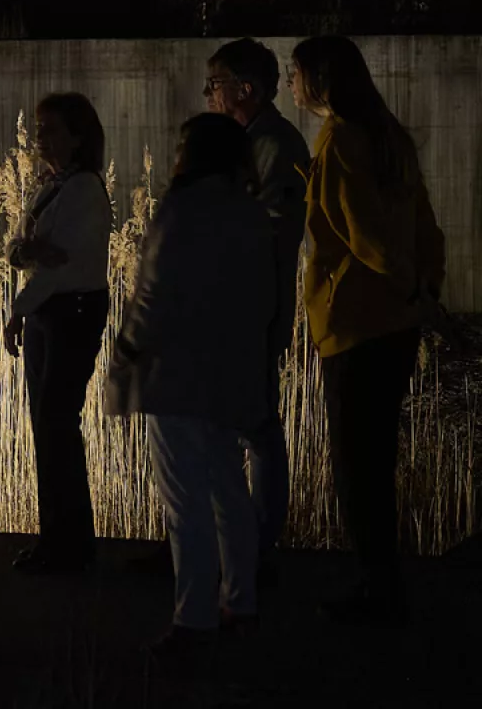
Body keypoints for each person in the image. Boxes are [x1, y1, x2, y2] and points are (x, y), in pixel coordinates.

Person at [133, 39, 313, 581]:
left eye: (215, 84)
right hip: (230, 312)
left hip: (246, 313)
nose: (208, 95)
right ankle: (233, 546)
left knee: (254, 430)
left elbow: (269, 233)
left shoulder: (273, 147)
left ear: (245, 89)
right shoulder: (250, 143)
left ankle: (254, 548)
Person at [107, 114, 277, 660]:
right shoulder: (252, 213)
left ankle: (193, 621)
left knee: (185, 501)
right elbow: (266, 298)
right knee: (229, 489)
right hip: (231, 373)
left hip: (177, 374)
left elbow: (152, 297)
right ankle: (241, 604)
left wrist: (127, 352)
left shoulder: (180, 210)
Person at [290, 36, 444, 627]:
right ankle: (383, 586)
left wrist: (409, 287)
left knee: (358, 465)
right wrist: (425, 289)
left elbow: (366, 237)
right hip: (395, 322)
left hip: (357, 322)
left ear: (321, 81)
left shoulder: (341, 140)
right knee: (374, 460)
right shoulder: (389, 136)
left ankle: (376, 593)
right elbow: (425, 226)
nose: (291, 84)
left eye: (296, 73)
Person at [4, 92, 112, 575]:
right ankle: (60, 540)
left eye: (49, 129)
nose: (38, 138)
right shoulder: (52, 185)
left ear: (78, 135)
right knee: (48, 426)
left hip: (72, 310)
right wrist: (27, 254)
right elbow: (22, 250)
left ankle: (68, 544)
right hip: (51, 310)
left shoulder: (84, 189)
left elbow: (59, 263)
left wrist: (19, 300)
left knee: (56, 424)